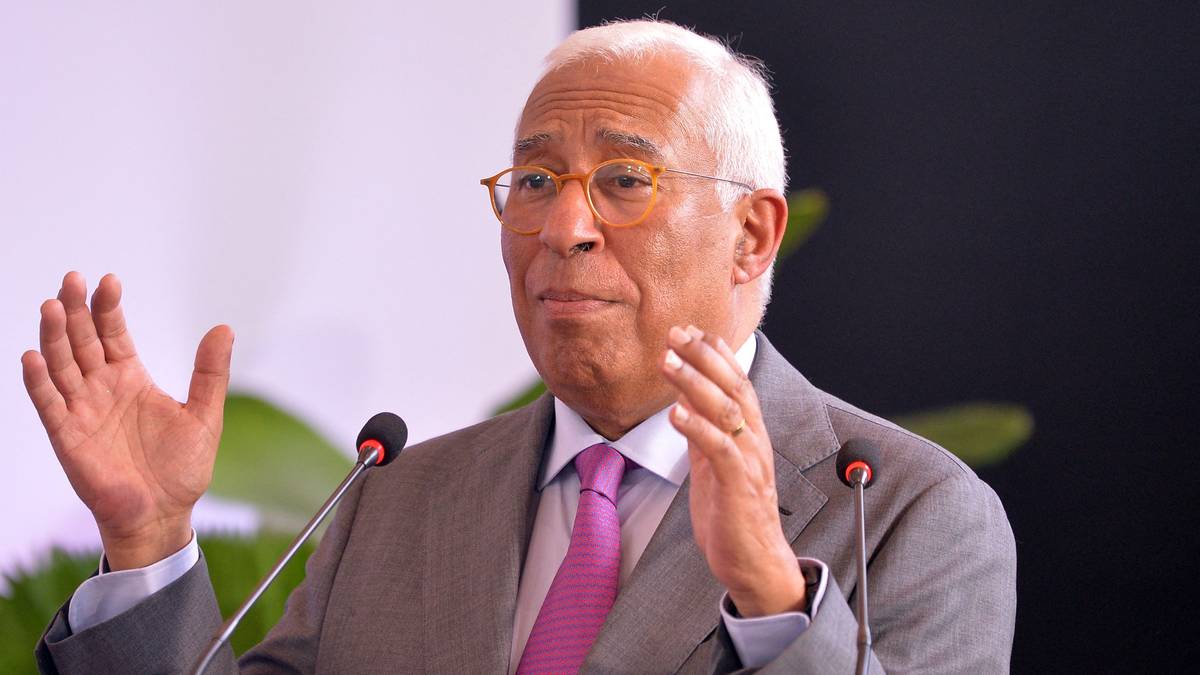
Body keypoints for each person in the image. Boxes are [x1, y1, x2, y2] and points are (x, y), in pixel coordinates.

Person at [24, 20, 1016, 674]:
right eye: (535, 182)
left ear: (751, 236)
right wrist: (149, 540)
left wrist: (770, 598)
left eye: (624, 180)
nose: (562, 228)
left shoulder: (905, 511)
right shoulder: (397, 497)